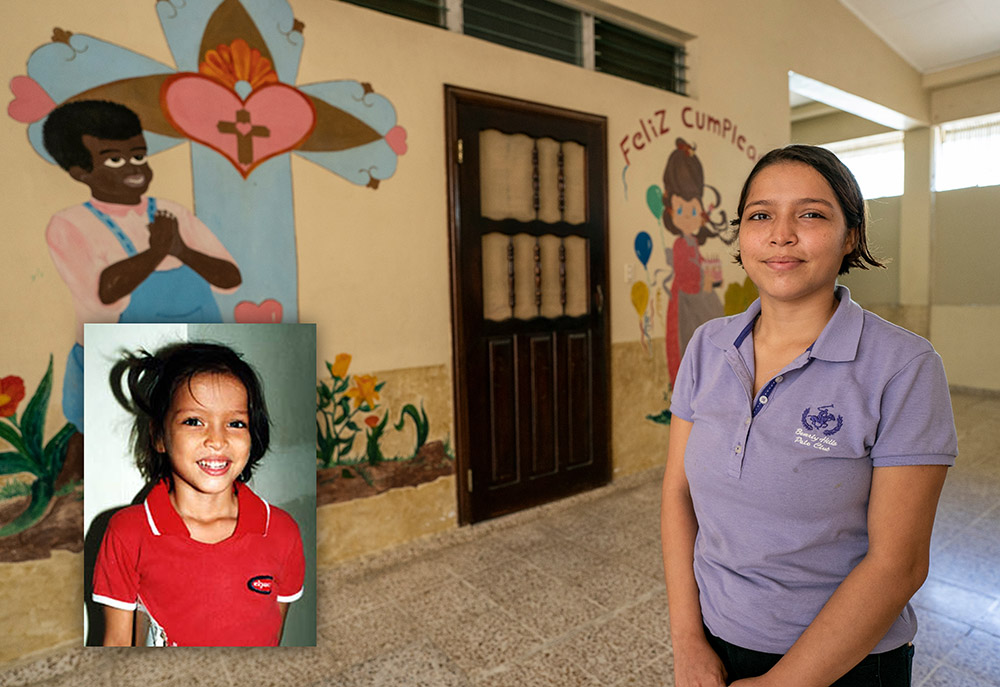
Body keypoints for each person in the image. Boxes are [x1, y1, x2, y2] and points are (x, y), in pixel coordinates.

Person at [661, 145, 957, 686]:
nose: (781, 234)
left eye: (812, 214)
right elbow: (677, 494)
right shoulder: (708, 345)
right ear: (742, 234)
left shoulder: (904, 367)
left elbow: (900, 564)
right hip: (715, 642)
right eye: (760, 215)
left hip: (847, 661)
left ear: (851, 237)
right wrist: (687, 641)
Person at [42, 100, 241, 434]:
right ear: (80, 172)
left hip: (191, 360)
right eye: (115, 160)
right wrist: (157, 252)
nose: (133, 168)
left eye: (138, 156)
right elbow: (106, 295)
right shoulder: (70, 225)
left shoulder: (171, 213)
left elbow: (229, 278)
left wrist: (180, 249)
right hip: (116, 358)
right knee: (107, 439)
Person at [92, 342, 304, 646]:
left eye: (235, 423)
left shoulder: (283, 532)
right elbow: (116, 645)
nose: (217, 440)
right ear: (159, 436)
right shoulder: (127, 533)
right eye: (194, 421)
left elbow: (273, 637)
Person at [660, 138, 734, 389]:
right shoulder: (681, 246)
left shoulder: (693, 244)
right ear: (670, 210)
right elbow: (691, 285)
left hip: (696, 302)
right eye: (681, 210)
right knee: (688, 349)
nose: (689, 217)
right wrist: (707, 284)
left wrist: (712, 281)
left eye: (693, 210)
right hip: (687, 308)